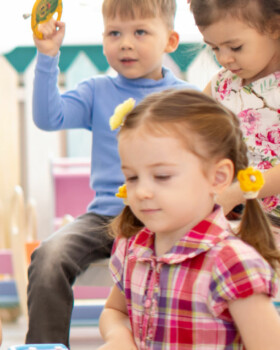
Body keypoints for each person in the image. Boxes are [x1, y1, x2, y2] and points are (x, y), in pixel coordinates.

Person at [24, 0, 195, 343]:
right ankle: (45, 346)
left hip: (168, 217)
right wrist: (46, 56)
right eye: (114, 33)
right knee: (48, 257)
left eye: (140, 32)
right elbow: (48, 118)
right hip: (105, 217)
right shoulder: (96, 91)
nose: (125, 43)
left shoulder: (184, 98)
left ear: (170, 41)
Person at [99, 89, 280, 348]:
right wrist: (119, 337)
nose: (141, 191)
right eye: (132, 177)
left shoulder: (232, 263)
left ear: (218, 178)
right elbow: (114, 312)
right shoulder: (133, 249)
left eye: (162, 176)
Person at [189, 0, 280, 214]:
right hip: (244, 216)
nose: (224, 58)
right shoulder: (222, 83)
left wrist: (237, 192)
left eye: (235, 47)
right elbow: (189, 127)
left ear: (274, 27)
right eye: (214, 48)